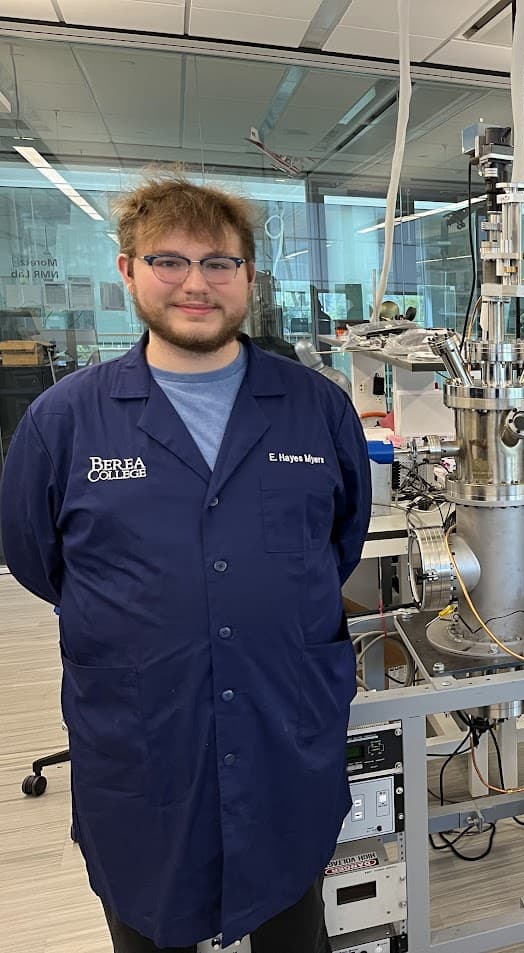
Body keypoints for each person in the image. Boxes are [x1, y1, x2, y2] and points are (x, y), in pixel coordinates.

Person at [0, 175, 372, 952]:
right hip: (143, 739)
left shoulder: (316, 407)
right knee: (148, 917)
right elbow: (36, 559)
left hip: (282, 726)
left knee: (292, 920)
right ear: (128, 270)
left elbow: (341, 539)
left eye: (218, 262)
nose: (195, 283)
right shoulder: (64, 421)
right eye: (168, 260)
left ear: (249, 277)